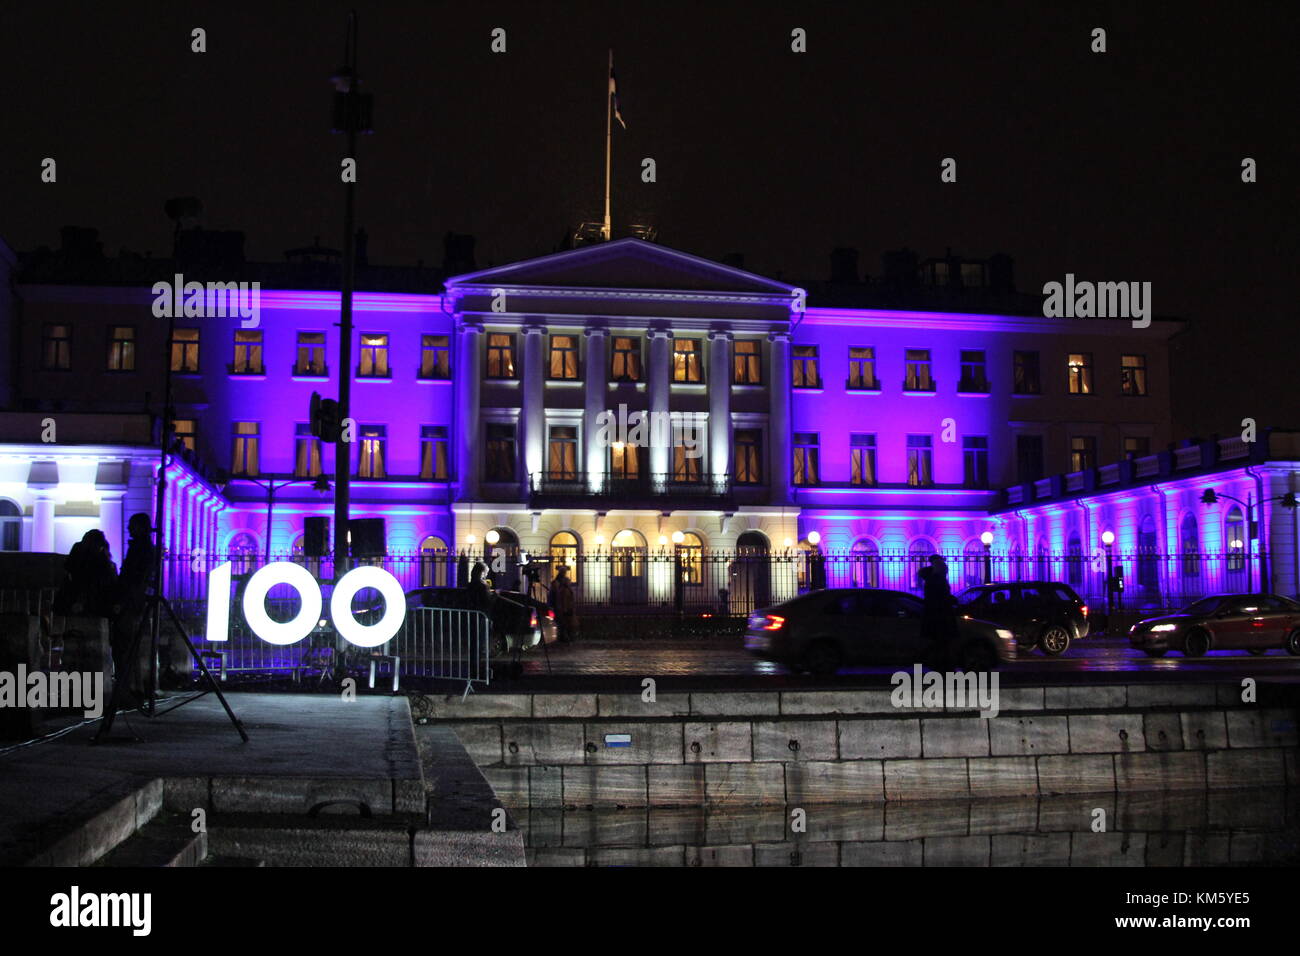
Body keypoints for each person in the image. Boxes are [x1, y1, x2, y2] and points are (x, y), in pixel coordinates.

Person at [114, 513, 157, 696]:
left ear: (139, 527)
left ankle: (130, 687)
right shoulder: (143, 547)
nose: (128, 529)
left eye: (132, 525)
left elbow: (132, 576)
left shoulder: (140, 549)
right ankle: (136, 686)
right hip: (136, 600)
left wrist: (121, 597)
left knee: (127, 646)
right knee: (134, 646)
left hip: (131, 601)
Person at [58, 529, 118, 618]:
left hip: (80, 595)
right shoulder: (104, 560)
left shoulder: (80, 551)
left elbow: (70, 567)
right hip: (97, 600)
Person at [918, 554, 959, 668]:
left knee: (939, 642)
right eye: (944, 567)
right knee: (942, 642)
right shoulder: (937, 579)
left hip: (936, 615)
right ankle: (942, 665)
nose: (946, 569)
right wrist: (951, 600)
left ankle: (939, 664)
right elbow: (941, 597)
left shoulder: (933, 578)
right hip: (941, 616)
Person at [549, 564, 577, 643]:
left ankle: (565, 637)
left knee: (565, 623)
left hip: (564, 607)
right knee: (562, 623)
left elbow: (570, 597)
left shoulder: (561, 584)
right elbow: (555, 595)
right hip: (560, 607)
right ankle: (564, 637)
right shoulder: (557, 584)